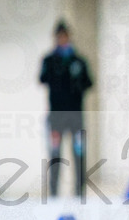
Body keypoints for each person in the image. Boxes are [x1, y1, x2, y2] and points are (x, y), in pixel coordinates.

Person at [39, 19, 92, 198]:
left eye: (64, 36)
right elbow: (42, 79)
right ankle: (53, 193)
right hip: (56, 116)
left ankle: (79, 192)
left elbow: (89, 82)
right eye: (59, 36)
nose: (62, 39)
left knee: (79, 153)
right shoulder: (49, 60)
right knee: (55, 154)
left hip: (76, 116)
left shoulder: (79, 61)